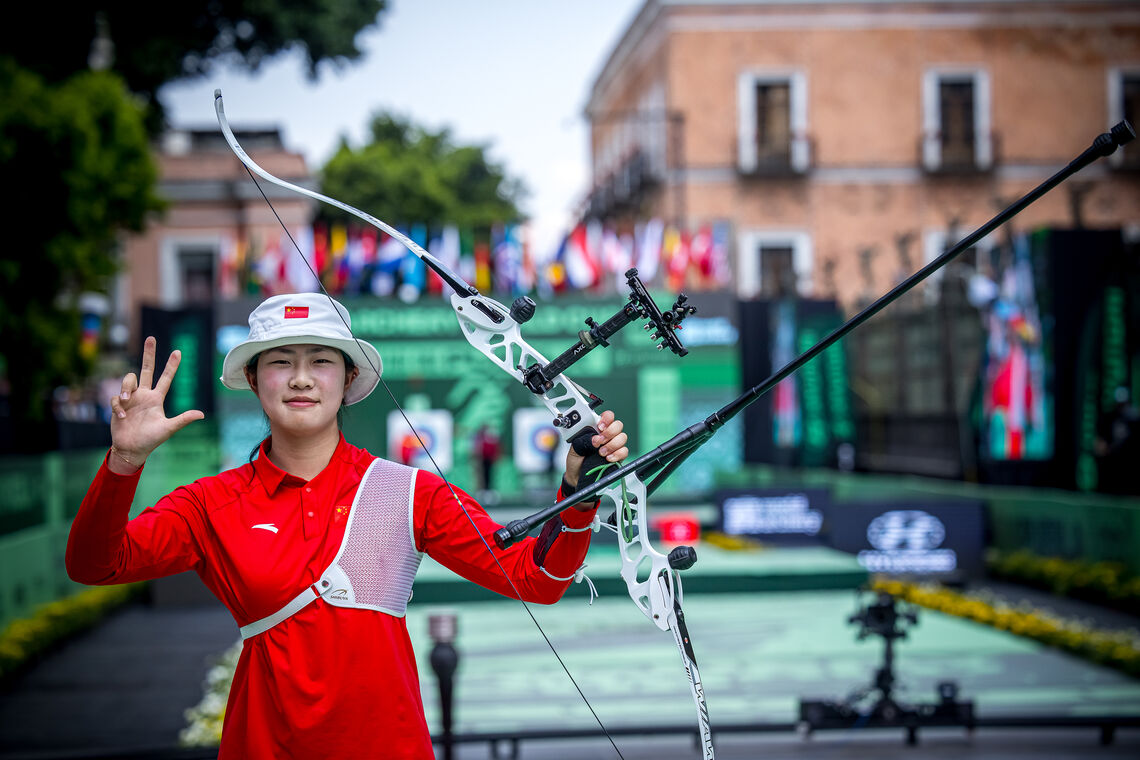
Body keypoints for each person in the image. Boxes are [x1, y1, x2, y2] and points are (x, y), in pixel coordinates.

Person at [65, 293, 629, 759]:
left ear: (348, 378)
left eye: (321, 361)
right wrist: (123, 463)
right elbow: (96, 564)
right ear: (257, 380)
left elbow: (535, 579)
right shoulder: (211, 502)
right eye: (281, 361)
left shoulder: (410, 493)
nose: (301, 379)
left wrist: (578, 495)